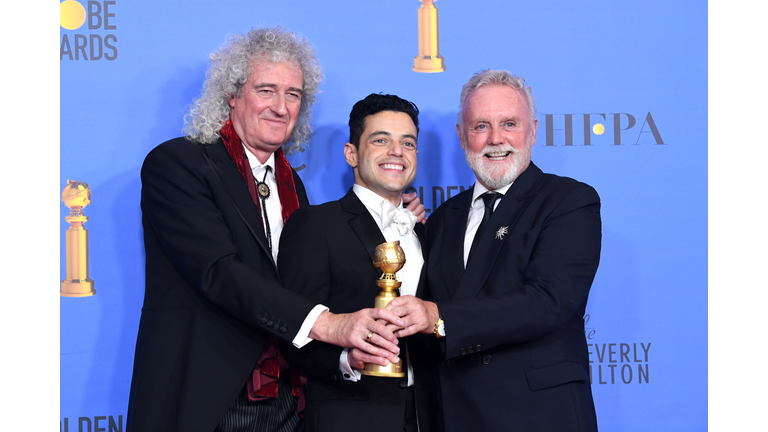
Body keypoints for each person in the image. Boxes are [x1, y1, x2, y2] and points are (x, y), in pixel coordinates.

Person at [126, 26, 424, 432]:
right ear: (231, 95)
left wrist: (399, 223)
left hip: (288, 401)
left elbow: (303, 278)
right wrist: (330, 324)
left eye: (293, 95)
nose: (281, 107)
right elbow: (220, 273)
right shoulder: (178, 165)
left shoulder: (291, 183)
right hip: (208, 399)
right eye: (266, 90)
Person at [385, 69, 602, 431]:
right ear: (461, 135)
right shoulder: (440, 221)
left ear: (532, 130)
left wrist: (439, 317)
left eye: (510, 124)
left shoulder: (568, 201)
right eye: (481, 126)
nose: (496, 139)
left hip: (541, 416)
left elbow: (548, 301)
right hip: (456, 416)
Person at [277, 93, 436, 432]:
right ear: (352, 153)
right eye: (381, 140)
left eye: (407, 143)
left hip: (427, 416)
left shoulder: (426, 231)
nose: (397, 152)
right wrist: (347, 360)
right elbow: (292, 329)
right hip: (349, 417)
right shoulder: (316, 225)